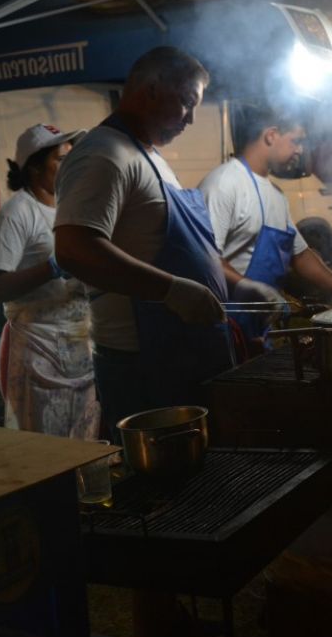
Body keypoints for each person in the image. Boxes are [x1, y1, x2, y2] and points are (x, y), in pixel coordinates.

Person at [52, 47, 231, 437]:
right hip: (144, 366)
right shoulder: (103, 154)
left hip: (184, 353)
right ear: (152, 89)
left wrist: (237, 285)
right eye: (187, 103)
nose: (191, 119)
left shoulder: (149, 156)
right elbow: (74, 248)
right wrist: (171, 290)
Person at [0, 124, 99, 440]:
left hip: (80, 345)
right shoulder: (16, 214)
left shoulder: (71, 206)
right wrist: (52, 267)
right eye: (60, 159)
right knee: (47, 449)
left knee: (86, 444)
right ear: (34, 167)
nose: (70, 166)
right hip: (39, 350)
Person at [198, 104, 332, 342]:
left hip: (260, 329)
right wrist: (249, 287)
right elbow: (203, 256)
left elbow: (301, 256)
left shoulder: (277, 196)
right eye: (296, 141)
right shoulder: (223, 184)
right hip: (225, 327)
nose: (300, 150)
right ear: (271, 135)